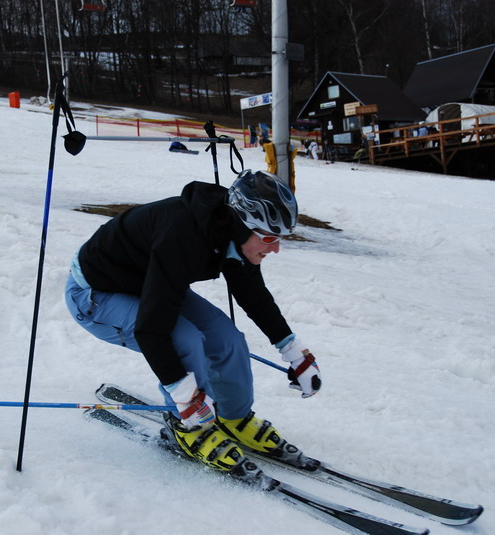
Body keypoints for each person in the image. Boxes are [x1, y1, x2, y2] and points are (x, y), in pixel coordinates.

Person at [64, 170, 322, 471]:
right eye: (269, 237)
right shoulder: (183, 236)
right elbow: (151, 331)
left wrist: (294, 353)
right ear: (243, 225)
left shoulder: (232, 237)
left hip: (147, 282)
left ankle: (234, 417)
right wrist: (187, 398)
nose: (275, 248)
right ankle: (187, 429)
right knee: (184, 340)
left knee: (227, 339)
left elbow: (255, 297)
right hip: (95, 295)